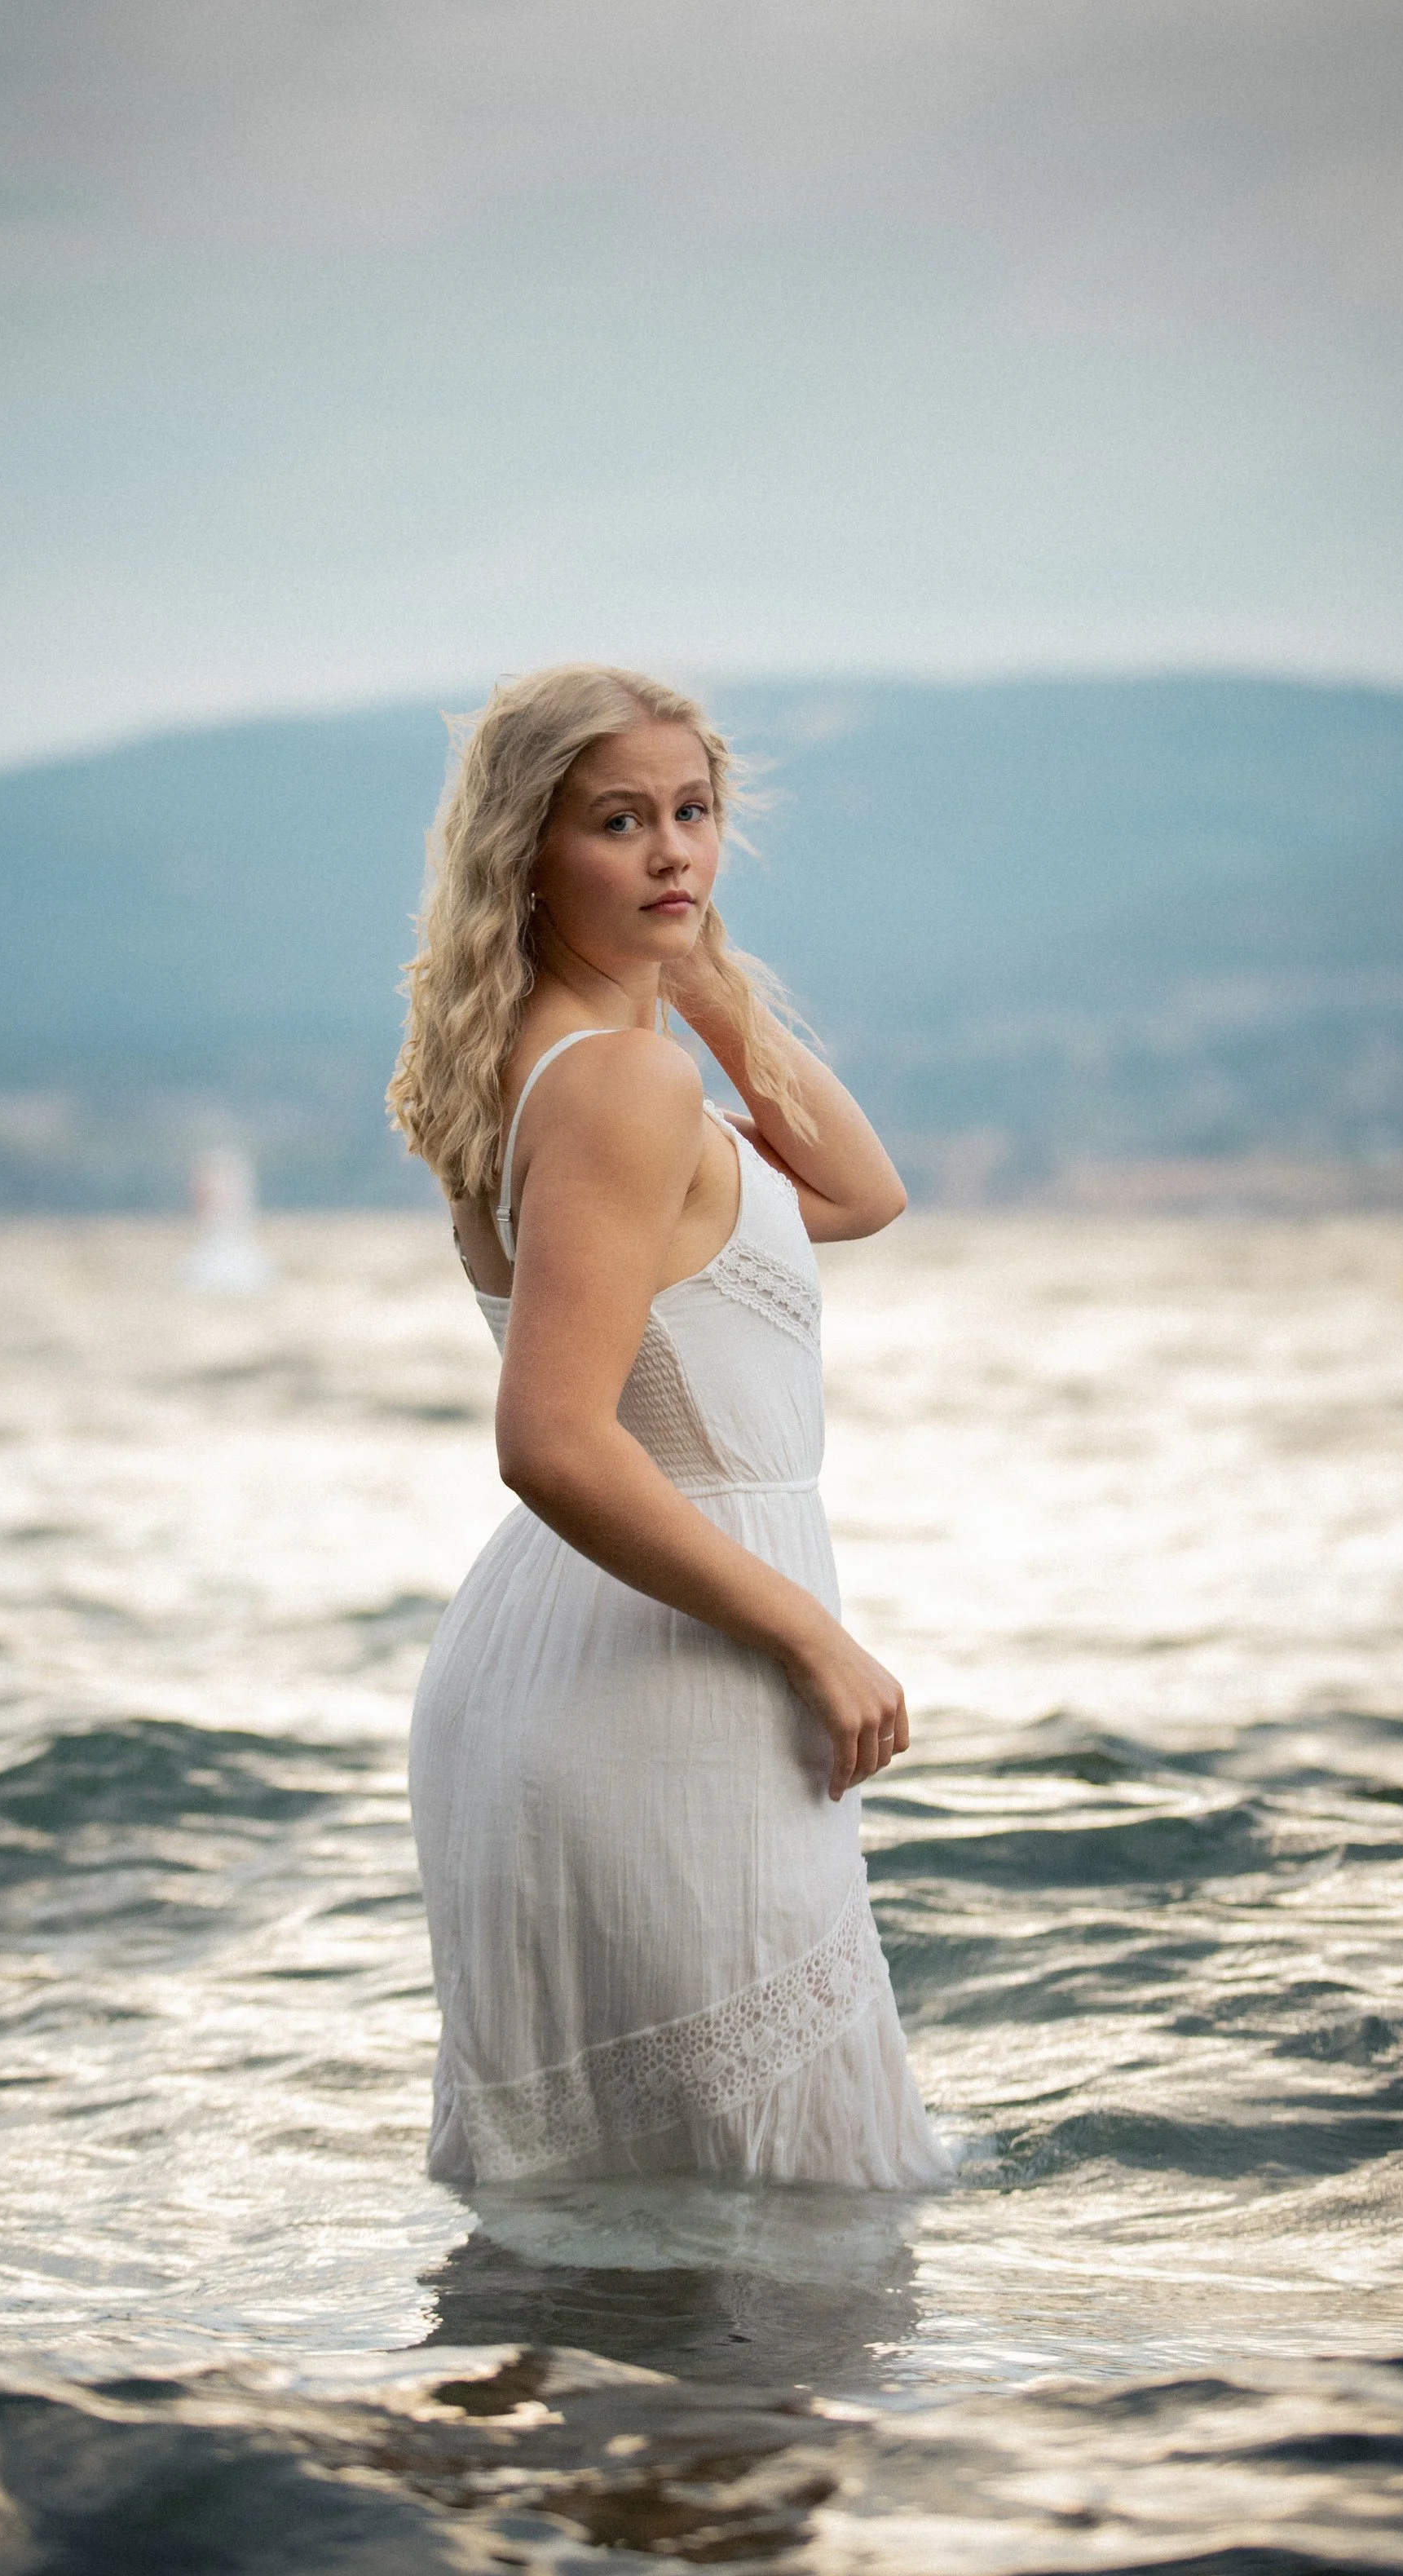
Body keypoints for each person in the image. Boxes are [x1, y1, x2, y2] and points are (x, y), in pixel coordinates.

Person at [389, 665, 950, 2190]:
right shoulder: (620, 1086)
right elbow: (553, 1438)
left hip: (592, 1656)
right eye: (619, 822)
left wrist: (699, 976)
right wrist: (815, 1639)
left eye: (692, 815)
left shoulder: (562, 1066)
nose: (671, 854)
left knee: (631, 2243)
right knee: (782, 2231)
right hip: (666, 1668)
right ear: (526, 850)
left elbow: (858, 1194)